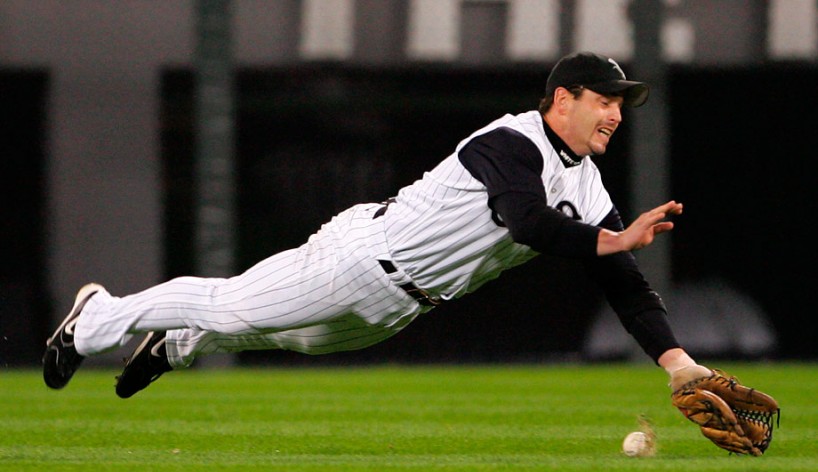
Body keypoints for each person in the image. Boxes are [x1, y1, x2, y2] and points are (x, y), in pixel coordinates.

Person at [43, 51, 712, 400]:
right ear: (562, 100)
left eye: (622, 105)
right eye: (604, 101)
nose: (616, 115)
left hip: (399, 305)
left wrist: (677, 363)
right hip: (363, 260)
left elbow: (626, 285)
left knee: (282, 335)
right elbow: (524, 220)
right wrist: (612, 239)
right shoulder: (511, 141)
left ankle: (175, 345)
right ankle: (99, 316)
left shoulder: (588, 186)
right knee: (231, 304)